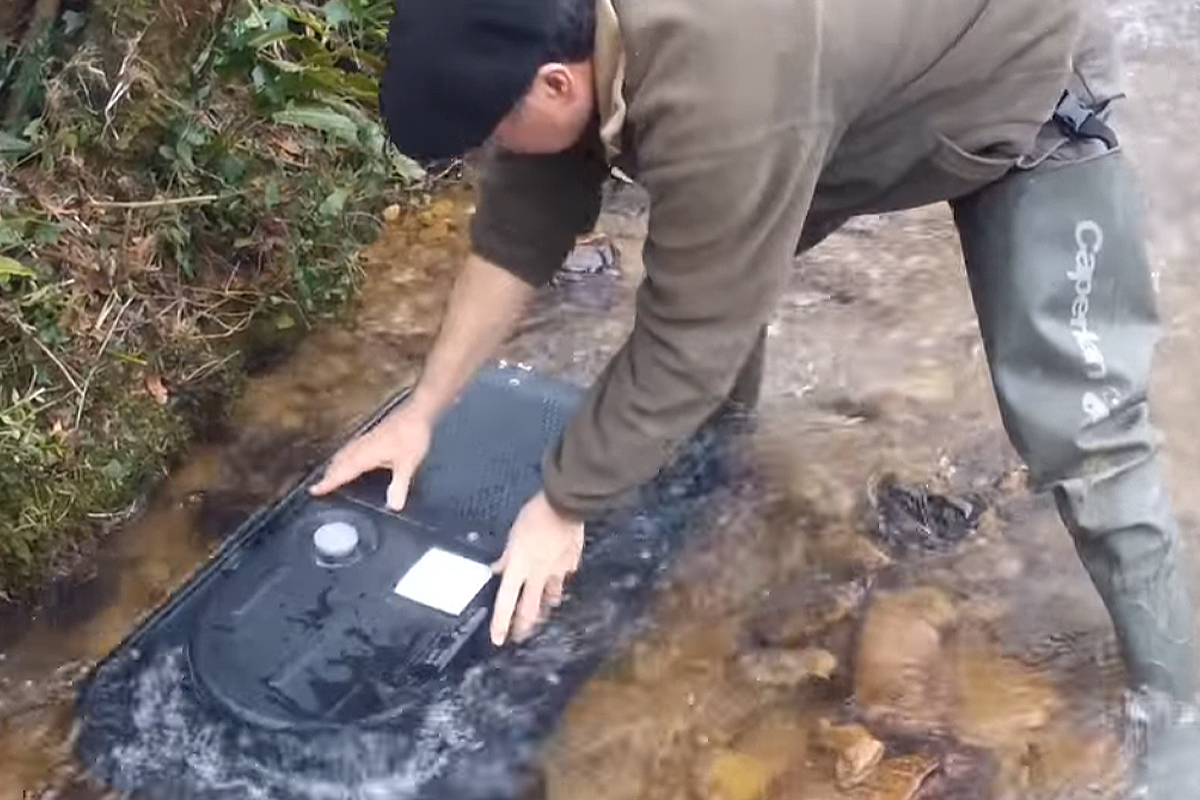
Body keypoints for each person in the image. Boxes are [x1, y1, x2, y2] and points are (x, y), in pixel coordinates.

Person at [310, 0, 1197, 791]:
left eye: (490, 135)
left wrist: (562, 504)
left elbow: (691, 338)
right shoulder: (563, 41)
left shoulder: (719, 92)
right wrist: (421, 413)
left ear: (554, 84)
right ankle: (706, 478)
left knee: (1085, 430)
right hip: (834, 101)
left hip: (1025, 89)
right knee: (704, 272)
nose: (489, 154)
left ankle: (1183, 709)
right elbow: (514, 236)